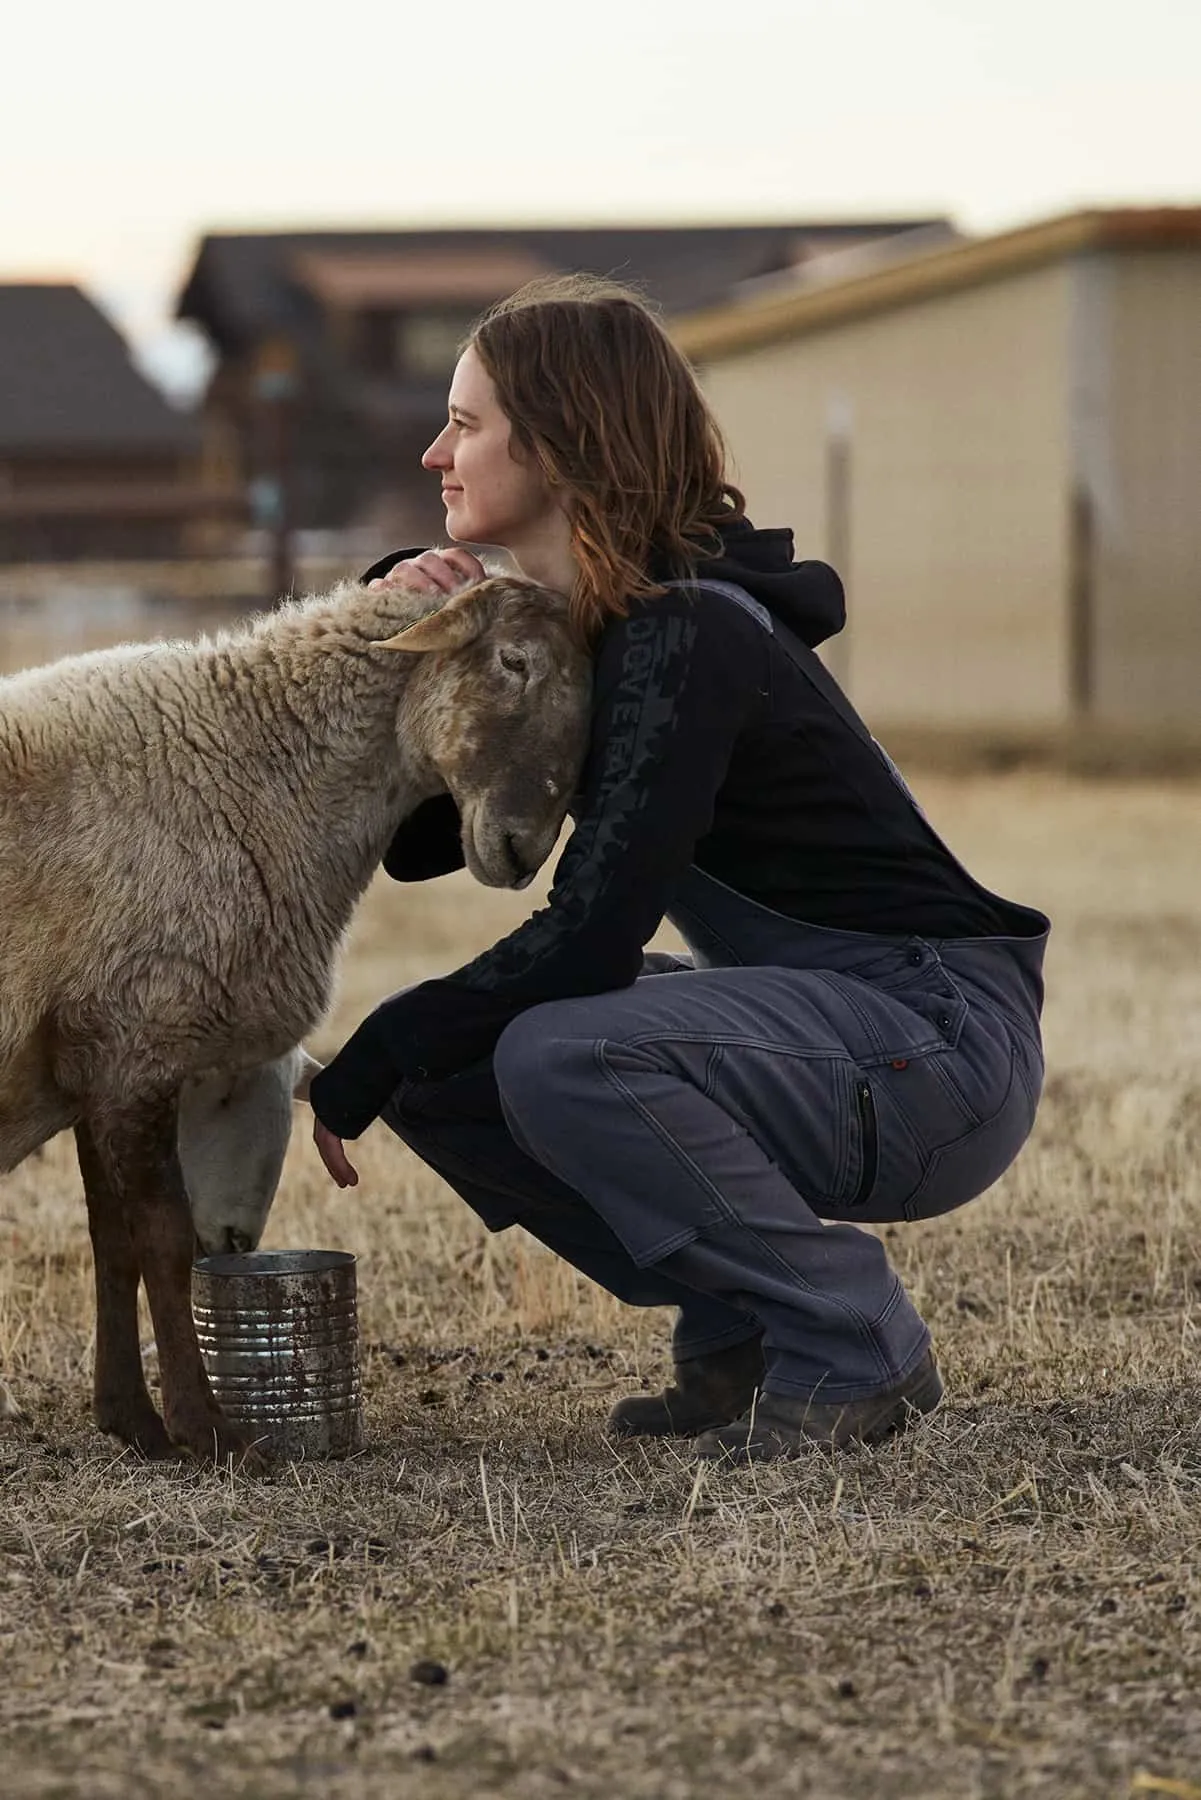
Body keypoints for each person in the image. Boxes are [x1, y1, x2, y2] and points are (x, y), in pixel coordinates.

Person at [308, 275, 1049, 1464]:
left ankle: (853, 1338)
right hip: (845, 1031)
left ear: (559, 443)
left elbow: (592, 938)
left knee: (559, 1045)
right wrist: (392, 609)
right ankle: (743, 1334)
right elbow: (416, 844)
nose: (435, 449)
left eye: (468, 422)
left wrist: (387, 1037)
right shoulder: (592, 633)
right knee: (458, 1068)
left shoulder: (687, 633)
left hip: (936, 1047)